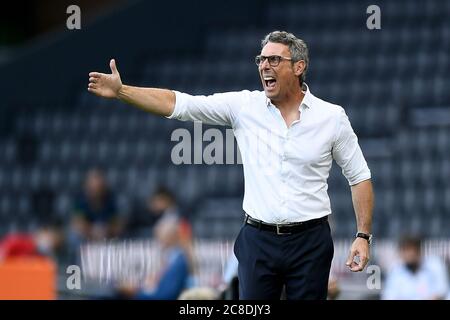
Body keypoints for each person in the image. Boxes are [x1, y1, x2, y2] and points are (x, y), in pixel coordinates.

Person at [87, 30, 374, 300]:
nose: (264, 66)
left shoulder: (331, 117)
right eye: (261, 60)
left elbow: (359, 177)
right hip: (258, 240)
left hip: (311, 242)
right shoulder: (244, 107)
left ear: (299, 67)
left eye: (274, 59)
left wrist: (362, 235)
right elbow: (180, 104)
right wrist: (123, 91)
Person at [382, 235, 449, 300]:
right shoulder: (395, 270)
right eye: (405, 250)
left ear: (419, 251)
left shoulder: (434, 264)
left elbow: (442, 292)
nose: (408, 254)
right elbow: (389, 296)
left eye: (411, 250)